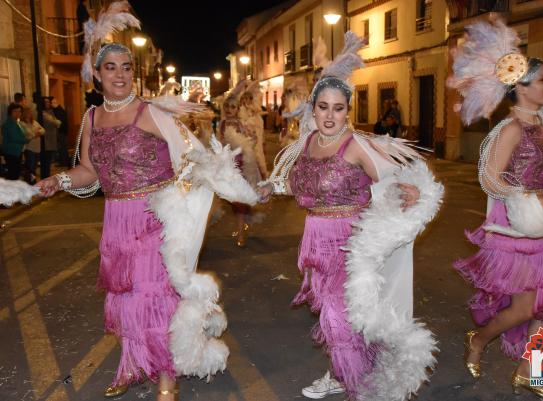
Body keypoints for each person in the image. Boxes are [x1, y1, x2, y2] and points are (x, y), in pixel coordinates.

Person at [35, 3, 257, 399]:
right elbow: (90, 171)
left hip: (154, 218)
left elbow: (192, 157)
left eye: (125, 67)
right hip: (116, 219)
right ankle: (133, 364)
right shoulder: (91, 119)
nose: (120, 74)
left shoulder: (152, 112)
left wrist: (218, 188)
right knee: (125, 302)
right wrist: (59, 179)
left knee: (156, 299)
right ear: (97, 75)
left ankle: (167, 379)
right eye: (111, 67)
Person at [259, 31, 442, 401]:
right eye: (322, 107)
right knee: (338, 319)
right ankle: (341, 373)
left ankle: (357, 388)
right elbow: (301, 185)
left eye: (338, 108)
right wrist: (271, 188)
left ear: (348, 110)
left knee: (341, 321)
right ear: (313, 108)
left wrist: (413, 192)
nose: (329, 115)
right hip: (314, 240)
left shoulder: (356, 144)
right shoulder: (309, 142)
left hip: (349, 242)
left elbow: (396, 180)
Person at [448, 18, 543, 399]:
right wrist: (524, 203)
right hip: (522, 227)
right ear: (521, 86)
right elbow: (491, 178)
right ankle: (478, 339)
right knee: (524, 307)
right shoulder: (510, 129)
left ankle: (537, 373)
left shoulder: (542, 123)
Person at [218, 81, 262, 247]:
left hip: (241, 165)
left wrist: (251, 141)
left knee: (240, 200)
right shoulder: (222, 124)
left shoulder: (241, 124)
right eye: (227, 106)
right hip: (229, 166)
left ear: (238, 109)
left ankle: (241, 234)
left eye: (233, 107)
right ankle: (242, 225)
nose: (230, 109)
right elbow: (220, 143)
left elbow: (252, 140)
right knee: (233, 200)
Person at [2, 103, 27, 180]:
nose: (18, 113)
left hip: (16, 152)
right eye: (15, 111)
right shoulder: (9, 124)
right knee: (13, 174)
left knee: (15, 173)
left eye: (19, 111)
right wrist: (29, 139)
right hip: (11, 152)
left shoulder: (16, 123)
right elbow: (15, 138)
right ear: (10, 112)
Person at [20, 107, 45, 184]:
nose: (29, 114)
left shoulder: (34, 122)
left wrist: (38, 132)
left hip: (37, 148)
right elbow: (28, 134)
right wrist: (36, 132)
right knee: (30, 167)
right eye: (27, 112)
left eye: (30, 112)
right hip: (29, 148)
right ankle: (30, 182)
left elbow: (43, 130)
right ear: (24, 114)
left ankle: (32, 181)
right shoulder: (22, 123)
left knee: (34, 167)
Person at [41, 97, 61, 177]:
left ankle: (47, 176)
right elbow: (54, 121)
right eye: (46, 102)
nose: (48, 104)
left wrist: (56, 122)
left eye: (48, 102)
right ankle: (45, 177)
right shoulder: (42, 113)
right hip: (45, 139)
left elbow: (58, 122)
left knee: (49, 161)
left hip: (52, 137)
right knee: (45, 161)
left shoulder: (51, 111)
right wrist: (55, 122)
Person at [52, 98, 69, 166]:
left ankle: (63, 162)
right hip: (63, 131)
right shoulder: (61, 109)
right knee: (63, 147)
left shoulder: (58, 111)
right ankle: (64, 161)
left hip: (61, 131)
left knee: (62, 147)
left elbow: (59, 122)